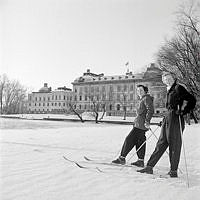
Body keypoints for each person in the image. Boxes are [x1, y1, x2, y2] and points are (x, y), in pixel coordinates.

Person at [137, 71, 196, 177]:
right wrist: (165, 119)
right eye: (165, 79)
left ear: (173, 78)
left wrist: (183, 111)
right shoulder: (168, 89)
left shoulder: (178, 88)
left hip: (176, 119)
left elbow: (192, 100)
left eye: (169, 78)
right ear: (163, 81)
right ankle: (149, 167)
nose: (167, 80)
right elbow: (169, 106)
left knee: (174, 144)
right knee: (161, 143)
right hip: (168, 118)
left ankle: (173, 171)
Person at [112, 85, 154, 167]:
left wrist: (147, 121)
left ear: (145, 91)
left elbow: (150, 110)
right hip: (139, 124)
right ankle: (140, 161)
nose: (139, 92)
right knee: (140, 142)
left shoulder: (146, 98)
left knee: (129, 139)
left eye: (141, 90)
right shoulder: (142, 99)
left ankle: (122, 158)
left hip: (140, 125)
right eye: (138, 90)